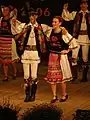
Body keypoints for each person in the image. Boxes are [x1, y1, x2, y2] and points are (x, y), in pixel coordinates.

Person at [15, 11, 51, 102]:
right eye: (30, 15)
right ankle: (27, 94)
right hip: (26, 52)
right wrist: (21, 31)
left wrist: (46, 37)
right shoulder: (24, 26)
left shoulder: (41, 27)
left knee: (34, 75)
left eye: (34, 15)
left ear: (37, 16)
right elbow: (16, 36)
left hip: (35, 52)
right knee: (26, 75)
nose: (32, 17)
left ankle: (33, 95)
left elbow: (50, 31)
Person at [45, 16, 78, 103]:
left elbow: (74, 42)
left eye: (55, 22)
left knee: (61, 77)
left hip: (60, 57)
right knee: (52, 77)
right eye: (53, 22)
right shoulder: (50, 31)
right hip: (52, 56)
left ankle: (64, 95)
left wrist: (68, 50)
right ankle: (54, 96)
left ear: (60, 23)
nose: (53, 23)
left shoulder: (63, 33)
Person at [0, 6, 19, 81]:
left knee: (12, 58)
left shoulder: (12, 20)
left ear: (9, 11)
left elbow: (17, 29)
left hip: (9, 40)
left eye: (6, 10)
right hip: (2, 40)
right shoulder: (1, 19)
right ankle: (6, 76)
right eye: (3, 10)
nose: (4, 11)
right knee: (3, 59)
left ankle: (14, 73)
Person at [73, 0, 90, 82]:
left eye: (85, 4)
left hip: (86, 37)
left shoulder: (89, 14)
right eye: (82, 4)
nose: (83, 5)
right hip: (77, 37)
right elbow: (67, 17)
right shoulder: (76, 14)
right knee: (74, 56)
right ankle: (74, 76)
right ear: (80, 5)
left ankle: (84, 77)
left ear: (87, 5)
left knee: (85, 58)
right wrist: (65, 9)